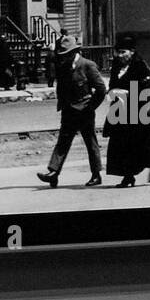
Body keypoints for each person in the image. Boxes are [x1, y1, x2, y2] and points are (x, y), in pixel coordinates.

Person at [37, 36, 107, 188]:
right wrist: (63, 105)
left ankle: (96, 174)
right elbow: (61, 88)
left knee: (90, 142)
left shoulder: (87, 65)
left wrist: (91, 106)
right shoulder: (63, 66)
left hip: (85, 110)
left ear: (75, 52)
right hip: (68, 110)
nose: (63, 57)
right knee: (63, 142)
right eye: (62, 55)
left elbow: (101, 89)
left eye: (66, 54)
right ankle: (53, 172)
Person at [105, 33, 150, 187]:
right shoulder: (116, 66)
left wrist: (128, 93)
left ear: (132, 52)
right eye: (118, 52)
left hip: (138, 110)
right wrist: (113, 91)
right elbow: (111, 85)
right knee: (120, 144)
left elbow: (146, 88)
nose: (120, 55)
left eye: (123, 52)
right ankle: (127, 176)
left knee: (138, 143)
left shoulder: (140, 65)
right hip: (120, 108)